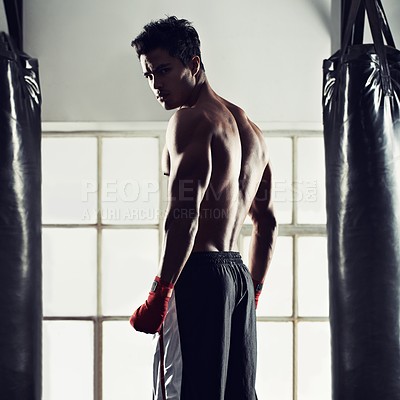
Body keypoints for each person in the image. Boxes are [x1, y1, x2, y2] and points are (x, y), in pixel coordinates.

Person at [129, 16, 277, 400]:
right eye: (148, 75)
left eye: (164, 70)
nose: (156, 85)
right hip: (237, 275)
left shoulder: (191, 120)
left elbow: (185, 217)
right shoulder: (250, 130)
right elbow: (267, 224)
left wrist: (161, 294)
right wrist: (252, 290)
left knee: (185, 392)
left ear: (193, 64)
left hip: (195, 276)